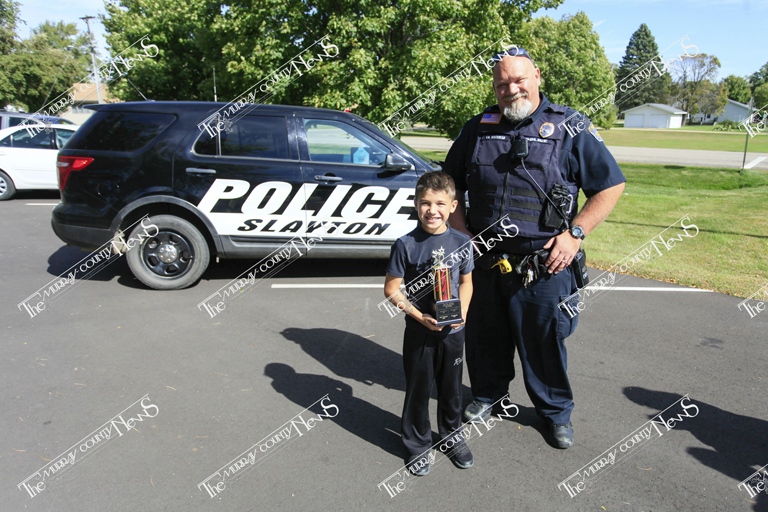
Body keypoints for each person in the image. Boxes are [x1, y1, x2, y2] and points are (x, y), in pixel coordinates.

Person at [443, 47, 626, 449]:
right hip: (486, 262)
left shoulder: (571, 126)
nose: (511, 89)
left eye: (519, 79)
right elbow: (448, 186)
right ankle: (488, 396)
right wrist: (461, 234)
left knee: (545, 344)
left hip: (544, 265)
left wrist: (575, 233)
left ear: (537, 76)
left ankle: (555, 413)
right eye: (502, 84)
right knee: (484, 338)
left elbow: (610, 185)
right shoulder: (478, 128)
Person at [384, 171, 475, 475]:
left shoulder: (462, 242)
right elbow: (392, 289)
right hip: (420, 331)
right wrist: (418, 316)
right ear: (415, 204)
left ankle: (452, 437)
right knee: (419, 389)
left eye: (440, 203)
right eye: (425, 203)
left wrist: (461, 313)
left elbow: (467, 282)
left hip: (454, 331)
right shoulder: (406, 244)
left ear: (453, 206)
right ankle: (417, 444)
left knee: (452, 389)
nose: (432, 210)